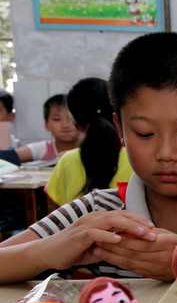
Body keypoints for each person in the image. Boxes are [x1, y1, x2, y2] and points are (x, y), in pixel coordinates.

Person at [0, 32, 177, 283]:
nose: (166, 154)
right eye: (145, 133)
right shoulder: (98, 213)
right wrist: (49, 251)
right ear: (120, 129)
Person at [43, 78, 133, 207]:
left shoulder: (66, 161)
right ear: (118, 119)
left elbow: (54, 216)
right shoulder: (136, 159)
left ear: (76, 125)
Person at [15, 94, 81, 163]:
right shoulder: (42, 149)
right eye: (57, 119)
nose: (65, 125)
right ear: (47, 125)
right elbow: (9, 156)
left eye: (71, 118)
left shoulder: (91, 148)